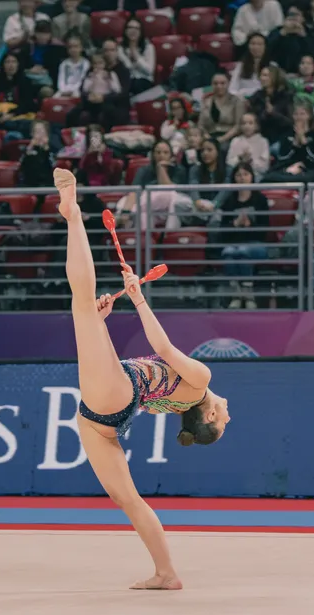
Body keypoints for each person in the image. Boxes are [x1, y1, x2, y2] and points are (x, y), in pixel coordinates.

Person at [53, 166, 230, 591]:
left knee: (81, 305)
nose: (228, 415)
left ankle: (73, 214)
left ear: (207, 415)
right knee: (128, 500)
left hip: (116, 399)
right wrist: (103, 327)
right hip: (107, 418)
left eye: (223, 422)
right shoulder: (178, 403)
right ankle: (166, 574)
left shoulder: (200, 382)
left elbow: (164, 350)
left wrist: (137, 298)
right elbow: (135, 376)